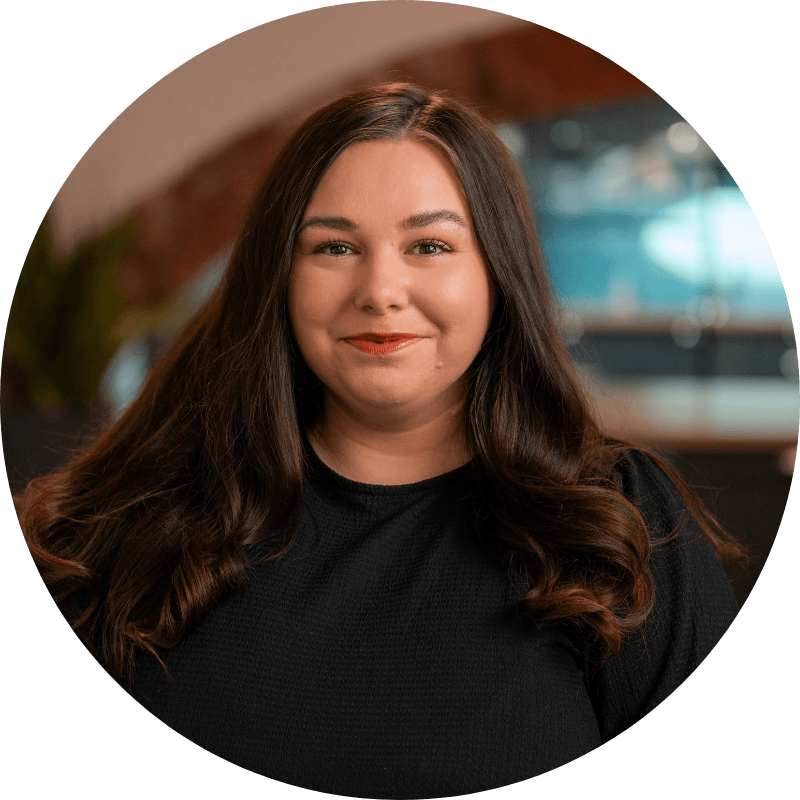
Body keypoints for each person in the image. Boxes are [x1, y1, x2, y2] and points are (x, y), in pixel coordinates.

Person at [16, 84, 745, 798]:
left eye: (429, 244)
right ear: (279, 276)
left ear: (498, 273)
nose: (380, 290)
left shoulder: (622, 525)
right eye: (334, 246)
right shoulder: (128, 528)